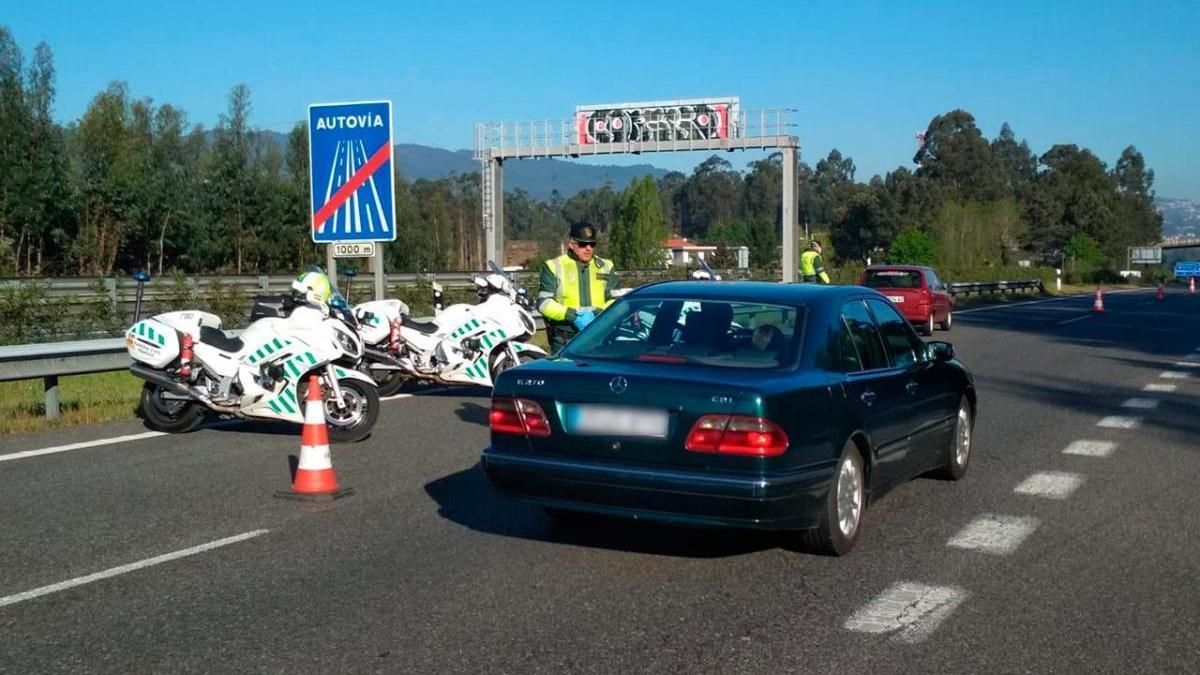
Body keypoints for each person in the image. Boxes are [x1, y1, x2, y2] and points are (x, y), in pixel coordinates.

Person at [538, 223, 618, 352]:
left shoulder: (606, 266)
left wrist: (597, 314)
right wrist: (572, 316)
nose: (588, 248)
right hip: (565, 340)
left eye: (592, 244)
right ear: (571, 244)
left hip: (599, 336)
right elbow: (544, 303)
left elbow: (616, 300)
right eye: (582, 244)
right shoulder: (554, 266)